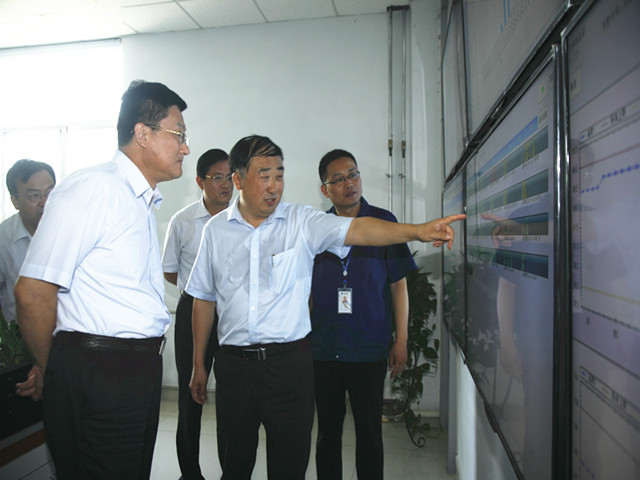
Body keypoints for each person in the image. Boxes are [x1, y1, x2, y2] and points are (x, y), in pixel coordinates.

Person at [186, 134, 465, 479]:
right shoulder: (215, 231)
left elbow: (360, 229)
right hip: (234, 368)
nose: (274, 186)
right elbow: (204, 298)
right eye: (264, 175)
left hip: (289, 367)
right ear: (239, 180)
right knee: (235, 464)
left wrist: (419, 231)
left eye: (279, 174)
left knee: (290, 466)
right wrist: (199, 364)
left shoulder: (302, 222)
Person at [14, 80, 189, 479]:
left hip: (133, 369)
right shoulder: (95, 188)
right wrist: (54, 368)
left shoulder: (138, 199)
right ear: (143, 134)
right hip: (101, 370)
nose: (185, 148)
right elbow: (33, 293)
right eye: (179, 135)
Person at [310, 149, 417, 479]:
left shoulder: (384, 223)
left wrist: (401, 340)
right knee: (328, 433)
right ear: (325, 189)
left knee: (370, 434)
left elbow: (398, 285)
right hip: (324, 348)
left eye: (353, 174)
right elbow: (306, 292)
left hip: (368, 347)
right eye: (339, 179)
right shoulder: (317, 228)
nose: (349, 183)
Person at [162, 148, 232, 480]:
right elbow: (169, 270)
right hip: (193, 312)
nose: (225, 184)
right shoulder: (183, 221)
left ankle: (231, 470)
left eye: (230, 177)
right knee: (191, 396)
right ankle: (190, 473)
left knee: (231, 399)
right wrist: (200, 290)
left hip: (232, 315)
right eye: (217, 177)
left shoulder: (244, 218)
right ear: (200, 181)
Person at [0, 159, 55, 399]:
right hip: (20, 348)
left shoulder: (68, 232)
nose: (44, 202)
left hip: (66, 344)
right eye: (34, 196)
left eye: (50, 193)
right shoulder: (3, 239)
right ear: (15, 200)